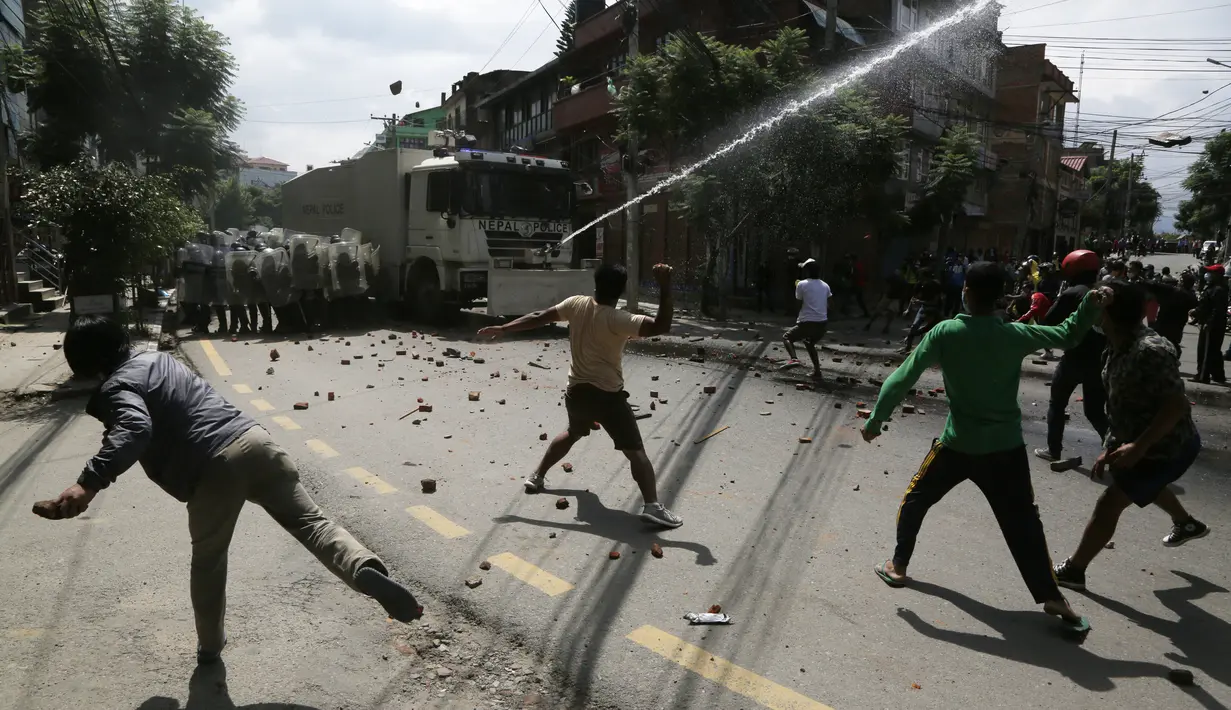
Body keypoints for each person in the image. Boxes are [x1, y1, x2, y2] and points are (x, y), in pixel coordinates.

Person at [38, 316, 422, 664]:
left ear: (85, 363)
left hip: (214, 468)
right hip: (257, 441)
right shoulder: (163, 360)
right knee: (314, 524)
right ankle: (364, 570)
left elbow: (135, 429)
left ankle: (210, 646)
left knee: (208, 560)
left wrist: (88, 484)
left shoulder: (117, 387)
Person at [863, 262, 1108, 631]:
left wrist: (876, 419)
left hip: (957, 444)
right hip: (1005, 449)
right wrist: (1091, 303)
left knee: (916, 498)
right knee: (1023, 523)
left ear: (965, 292)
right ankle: (1054, 598)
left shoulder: (946, 332)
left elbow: (903, 376)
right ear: (1000, 299)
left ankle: (898, 567)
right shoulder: (1015, 334)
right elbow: (1069, 334)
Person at [477, 263, 683, 528]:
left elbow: (540, 316)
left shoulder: (576, 304)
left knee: (573, 433)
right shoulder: (620, 319)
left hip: (576, 394)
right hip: (609, 398)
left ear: (595, 285)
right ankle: (653, 506)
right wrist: (665, 286)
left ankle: (537, 476)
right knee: (636, 453)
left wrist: (505, 329)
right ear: (621, 291)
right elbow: (661, 325)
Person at [1053, 280, 1208, 591]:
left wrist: (1139, 446)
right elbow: (1120, 407)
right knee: (1144, 485)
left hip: (1168, 447)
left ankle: (1073, 570)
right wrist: (1111, 445)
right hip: (1144, 444)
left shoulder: (1150, 350)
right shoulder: (1115, 345)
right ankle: (1186, 523)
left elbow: (1176, 406)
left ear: (1109, 314)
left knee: (1111, 501)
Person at [1034, 250, 1110, 465]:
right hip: (1100, 361)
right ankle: (1115, 450)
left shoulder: (1072, 293)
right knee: (1095, 411)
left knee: (1057, 404)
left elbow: (1048, 322)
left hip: (1075, 358)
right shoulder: (1103, 293)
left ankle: (1053, 449)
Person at [782, 259, 832, 380]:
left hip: (807, 323)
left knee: (787, 337)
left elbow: (797, 304)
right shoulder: (825, 285)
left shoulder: (801, 284)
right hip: (822, 324)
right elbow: (831, 304)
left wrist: (798, 319)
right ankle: (817, 371)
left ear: (807, 271)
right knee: (809, 343)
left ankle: (794, 359)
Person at [1145, 274, 1198, 358]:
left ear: (1182, 282)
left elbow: (1155, 286)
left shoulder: (1173, 291)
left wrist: (1144, 280)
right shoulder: (1192, 296)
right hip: (1178, 325)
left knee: (1160, 343)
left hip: (1164, 323)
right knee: (1172, 343)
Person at [1190, 264, 1227, 384]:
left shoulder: (1218, 290)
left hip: (1212, 326)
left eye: (1211, 273)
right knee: (1214, 351)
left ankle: (1202, 376)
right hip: (1210, 323)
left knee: (1205, 351)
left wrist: (1209, 323)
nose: (1208, 275)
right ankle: (1218, 376)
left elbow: (1216, 310)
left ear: (1217, 275)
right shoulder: (1212, 288)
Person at [899, 268, 943, 354]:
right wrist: (908, 309)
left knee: (931, 330)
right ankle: (907, 348)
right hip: (924, 307)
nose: (919, 279)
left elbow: (935, 301)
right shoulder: (919, 284)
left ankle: (928, 350)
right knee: (914, 327)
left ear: (926, 277)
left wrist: (920, 302)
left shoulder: (935, 285)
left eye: (921, 277)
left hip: (934, 309)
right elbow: (914, 297)